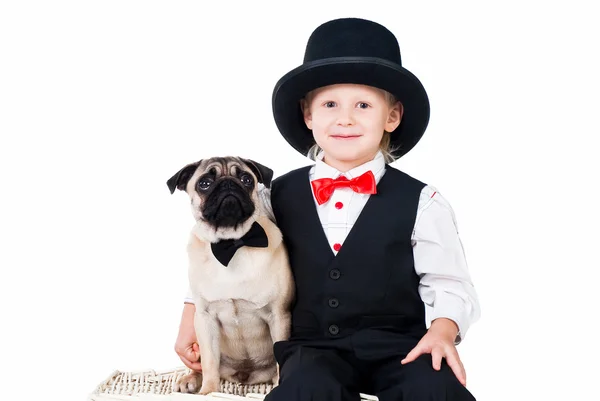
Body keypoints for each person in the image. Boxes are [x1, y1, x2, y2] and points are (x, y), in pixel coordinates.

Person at [175, 17, 480, 401]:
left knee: (437, 391)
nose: (345, 118)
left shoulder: (424, 202)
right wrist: (191, 314)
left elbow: (448, 282)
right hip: (311, 349)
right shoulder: (273, 194)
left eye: (364, 105)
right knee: (302, 390)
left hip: (399, 348)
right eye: (330, 104)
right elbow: (224, 248)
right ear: (308, 114)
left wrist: (442, 331)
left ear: (392, 116)